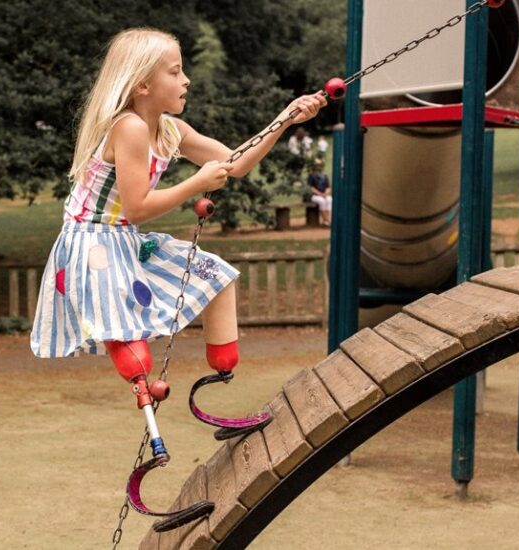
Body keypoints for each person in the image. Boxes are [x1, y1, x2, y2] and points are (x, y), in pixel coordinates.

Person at [30, 27, 325, 524]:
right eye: (175, 71)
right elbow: (139, 207)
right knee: (129, 340)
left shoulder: (170, 129)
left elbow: (236, 163)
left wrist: (284, 119)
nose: (186, 80)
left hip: (124, 237)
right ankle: (155, 444)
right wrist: (194, 184)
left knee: (216, 274)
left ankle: (220, 374)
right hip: (93, 244)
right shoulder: (128, 128)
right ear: (142, 84)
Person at [306, 158, 332, 225]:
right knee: (322, 201)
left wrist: (326, 193)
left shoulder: (324, 176)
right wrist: (320, 194)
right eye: (317, 165)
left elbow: (328, 187)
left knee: (329, 199)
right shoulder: (311, 176)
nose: (319, 167)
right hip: (314, 195)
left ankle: (329, 219)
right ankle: (325, 220)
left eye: (320, 165)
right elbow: (311, 188)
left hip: (324, 194)